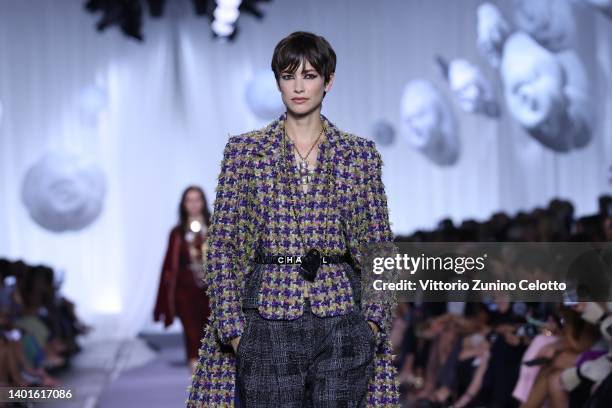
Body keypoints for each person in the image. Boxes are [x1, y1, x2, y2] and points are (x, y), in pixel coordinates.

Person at [187, 31, 400, 407]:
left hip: (342, 318)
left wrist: (372, 324)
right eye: (289, 76)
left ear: (328, 81)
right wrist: (234, 330)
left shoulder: (358, 155)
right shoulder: (246, 153)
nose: (299, 86)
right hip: (267, 318)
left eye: (310, 75)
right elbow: (222, 245)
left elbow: (378, 246)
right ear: (278, 82)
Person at [154, 186, 212, 374]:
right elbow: (169, 267)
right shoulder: (177, 233)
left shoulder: (215, 227)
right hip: (186, 292)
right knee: (192, 334)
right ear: (184, 204)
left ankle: (213, 378)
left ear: (203, 202)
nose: (194, 204)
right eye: (189, 200)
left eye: (197, 199)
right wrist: (164, 302)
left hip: (211, 292)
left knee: (211, 334)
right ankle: (197, 379)